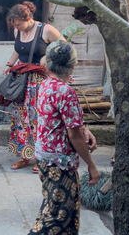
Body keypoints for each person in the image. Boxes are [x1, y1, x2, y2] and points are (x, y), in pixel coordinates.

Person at [29, 41, 100, 234]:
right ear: (72, 66)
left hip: (45, 158)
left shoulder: (45, 85)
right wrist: (91, 165)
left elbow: (62, 122)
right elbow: (74, 135)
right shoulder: (65, 92)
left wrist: (84, 129)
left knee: (61, 212)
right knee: (55, 218)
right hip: (59, 163)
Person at [4, 2, 63, 173]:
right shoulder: (18, 31)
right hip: (22, 81)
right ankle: (25, 155)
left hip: (40, 81)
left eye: (18, 24)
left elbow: (64, 45)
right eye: (14, 25)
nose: (17, 28)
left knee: (38, 118)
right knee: (22, 118)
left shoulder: (46, 30)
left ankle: (41, 156)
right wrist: (9, 64)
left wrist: (48, 54)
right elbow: (18, 49)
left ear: (28, 19)